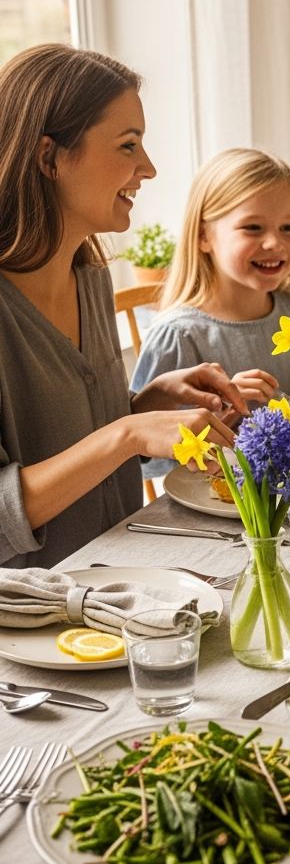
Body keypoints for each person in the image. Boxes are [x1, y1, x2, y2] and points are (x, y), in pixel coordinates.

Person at [0, 45, 243, 570]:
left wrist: (145, 405)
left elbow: (70, 442)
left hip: (122, 583)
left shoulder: (89, 277)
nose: (148, 168)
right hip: (33, 625)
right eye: (128, 145)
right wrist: (126, 434)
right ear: (48, 158)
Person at [130, 149, 290, 480]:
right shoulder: (177, 337)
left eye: (288, 228)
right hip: (214, 504)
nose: (273, 243)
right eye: (253, 227)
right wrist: (222, 415)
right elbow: (144, 457)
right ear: (204, 236)